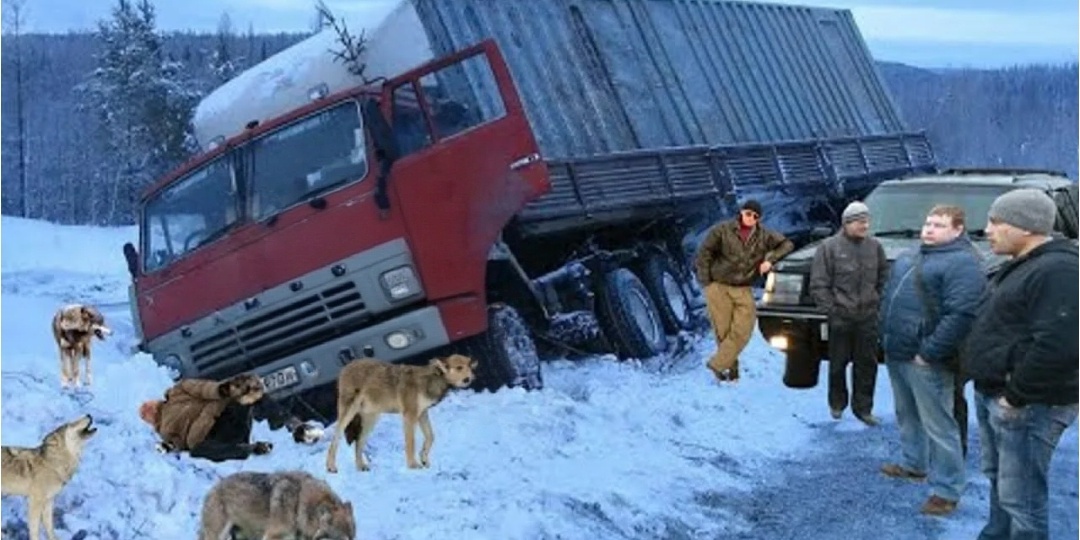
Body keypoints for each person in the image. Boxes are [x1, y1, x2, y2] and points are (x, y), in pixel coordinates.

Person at [964, 188, 1078, 540]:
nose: (987, 230)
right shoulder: (1025, 264)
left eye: (996, 222)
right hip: (998, 394)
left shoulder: (1059, 270)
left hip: (1028, 404)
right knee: (1001, 483)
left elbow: (1060, 344)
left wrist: (1016, 395)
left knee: (1023, 499)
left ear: (1026, 228)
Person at [878, 204, 986, 516]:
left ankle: (948, 490)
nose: (929, 229)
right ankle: (914, 465)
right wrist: (882, 334)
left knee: (939, 425)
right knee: (906, 413)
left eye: (939, 225)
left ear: (958, 230)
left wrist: (930, 352)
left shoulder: (963, 263)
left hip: (927, 358)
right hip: (898, 350)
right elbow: (888, 298)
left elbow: (962, 314)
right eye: (927, 223)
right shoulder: (911, 256)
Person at [694, 199, 793, 383]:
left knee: (744, 328)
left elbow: (787, 244)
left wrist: (769, 260)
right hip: (719, 285)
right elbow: (704, 253)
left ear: (759, 219)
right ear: (741, 213)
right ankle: (731, 374)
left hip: (742, 287)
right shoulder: (722, 230)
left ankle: (717, 364)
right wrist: (706, 282)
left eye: (755, 216)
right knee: (723, 330)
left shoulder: (764, 235)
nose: (750, 218)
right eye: (748, 214)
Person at [809, 201, 888, 426]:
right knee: (837, 364)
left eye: (867, 221)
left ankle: (863, 409)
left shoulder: (875, 247)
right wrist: (832, 311)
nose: (865, 225)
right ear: (847, 223)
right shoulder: (829, 247)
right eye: (860, 222)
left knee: (867, 365)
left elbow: (883, 278)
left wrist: (877, 304)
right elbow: (819, 284)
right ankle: (837, 403)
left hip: (867, 318)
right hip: (841, 318)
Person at [139, 373, 322, 462]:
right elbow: (178, 445)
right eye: (146, 414)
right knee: (198, 450)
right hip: (215, 440)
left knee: (247, 394)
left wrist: (222, 390)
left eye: (148, 407)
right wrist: (169, 447)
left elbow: (202, 388)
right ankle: (250, 450)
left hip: (223, 416)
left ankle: (295, 426)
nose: (149, 411)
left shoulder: (178, 391)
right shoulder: (164, 431)